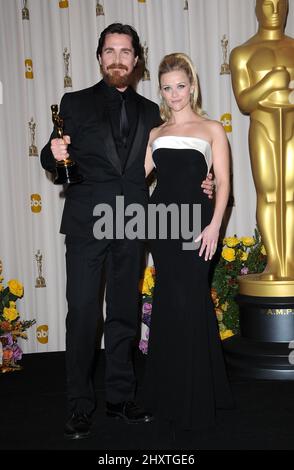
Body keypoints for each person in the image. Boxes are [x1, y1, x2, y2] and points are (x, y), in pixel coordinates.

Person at [41, 24, 214, 440]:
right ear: (100, 57)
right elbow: (53, 154)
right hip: (87, 221)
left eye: (125, 51)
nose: (117, 58)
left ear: (136, 61)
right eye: (110, 50)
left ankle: (120, 398)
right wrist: (53, 153)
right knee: (83, 312)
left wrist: (202, 184)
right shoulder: (74, 103)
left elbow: (173, 159)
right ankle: (80, 405)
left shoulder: (151, 113)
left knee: (123, 313)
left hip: (135, 221)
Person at [143, 53, 234, 430]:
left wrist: (214, 226)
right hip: (161, 224)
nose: (174, 94)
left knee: (192, 299)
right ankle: (164, 395)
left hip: (197, 224)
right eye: (167, 87)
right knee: (167, 300)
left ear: (192, 86)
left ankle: (200, 397)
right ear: (161, 91)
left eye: (181, 86)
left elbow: (224, 184)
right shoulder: (155, 134)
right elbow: (134, 178)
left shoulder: (212, 129)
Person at [230, 0, 294, 285]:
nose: (275, 10)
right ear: (257, 8)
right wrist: (270, 83)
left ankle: (289, 260)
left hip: (292, 125)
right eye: (268, 4)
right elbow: (244, 102)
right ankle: (274, 260)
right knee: (269, 193)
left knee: (290, 194)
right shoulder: (243, 53)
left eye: (281, 4)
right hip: (263, 125)